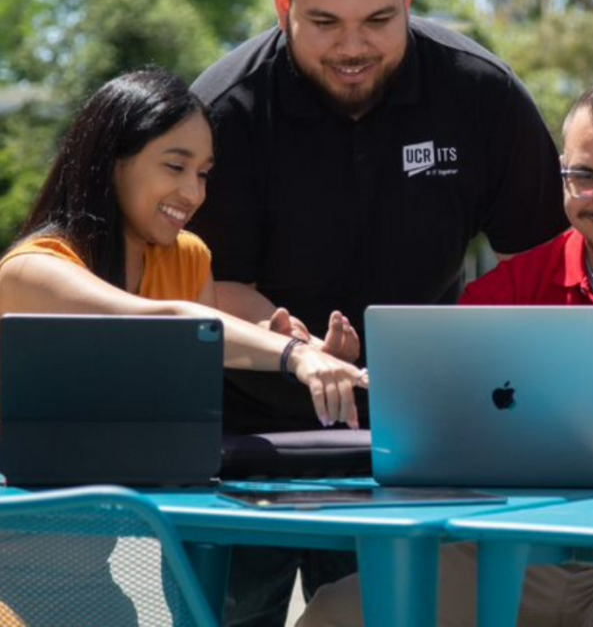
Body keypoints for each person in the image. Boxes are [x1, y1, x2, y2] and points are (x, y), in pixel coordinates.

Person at [188, 0, 569, 626]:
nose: (351, 47)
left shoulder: (480, 94)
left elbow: (545, 267)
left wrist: (473, 370)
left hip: (414, 441)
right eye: (324, 22)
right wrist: (291, 351)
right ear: (283, 5)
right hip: (240, 443)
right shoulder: (225, 112)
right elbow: (203, 285)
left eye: (378, 21)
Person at [297, 73, 593, 627]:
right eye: (586, 177)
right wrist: (355, 375)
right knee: (336, 614)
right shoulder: (509, 289)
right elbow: (438, 418)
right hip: (509, 550)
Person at [0, 68, 368, 426]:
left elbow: (194, 389)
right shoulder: (29, 271)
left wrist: (312, 356)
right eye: (175, 166)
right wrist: (294, 356)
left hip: (161, 481)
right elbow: (167, 324)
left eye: (203, 173)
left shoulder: (189, 257)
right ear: (112, 163)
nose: (194, 194)